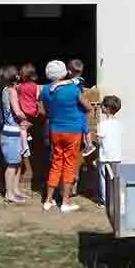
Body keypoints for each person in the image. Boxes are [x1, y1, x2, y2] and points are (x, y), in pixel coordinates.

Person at [40, 59, 89, 213]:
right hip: (73, 130)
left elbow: (43, 111)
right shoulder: (73, 89)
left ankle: (48, 200)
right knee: (69, 165)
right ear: (65, 72)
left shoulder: (46, 90)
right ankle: (66, 202)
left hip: (55, 130)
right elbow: (87, 106)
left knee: (55, 163)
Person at [0, 65, 29, 203]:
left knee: (17, 162)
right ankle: (10, 193)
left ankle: (15, 190)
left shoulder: (4, 90)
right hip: (12, 131)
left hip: (9, 131)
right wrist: (27, 117)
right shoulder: (12, 91)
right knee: (12, 164)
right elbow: (17, 111)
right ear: (15, 76)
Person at [94, 95, 124, 203]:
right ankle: (116, 198)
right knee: (115, 178)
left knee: (103, 178)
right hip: (116, 155)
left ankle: (104, 200)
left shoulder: (102, 124)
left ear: (107, 109)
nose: (101, 107)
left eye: (102, 106)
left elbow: (99, 140)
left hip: (105, 156)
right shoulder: (119, 124)